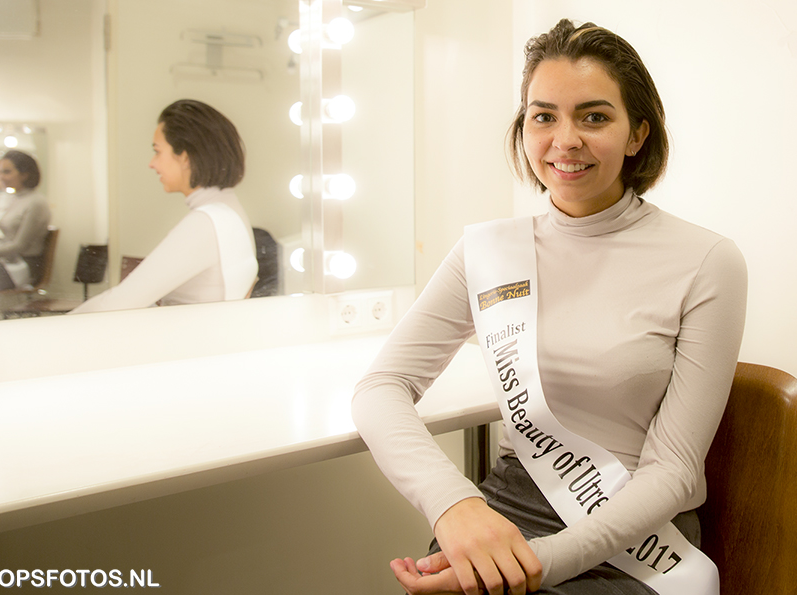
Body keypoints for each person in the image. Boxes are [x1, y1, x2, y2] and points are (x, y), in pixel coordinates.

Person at [352, 19, 747, 595]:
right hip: (503, 513)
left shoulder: (706, 260)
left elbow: (674, 470)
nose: (565, 140)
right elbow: (380, 387)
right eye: (544, 117)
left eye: (594, 117)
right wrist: (454, 506)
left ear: (637, 134)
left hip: (637, 535)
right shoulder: (489, 252)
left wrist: (542, 562)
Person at [71, 100, 258, 314]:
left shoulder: (207, 223)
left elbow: (119, 303)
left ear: (185, 158)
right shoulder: (230, 211)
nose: (152, 163)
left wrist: (55, 325)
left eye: (158, 151)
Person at [0, 150, 51, 292]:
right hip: (3, 263)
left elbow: (18, 246)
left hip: (21, 267)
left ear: (25, 174)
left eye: (6, 172)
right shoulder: (2, 198)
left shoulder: (36, 202)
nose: (0, 177)